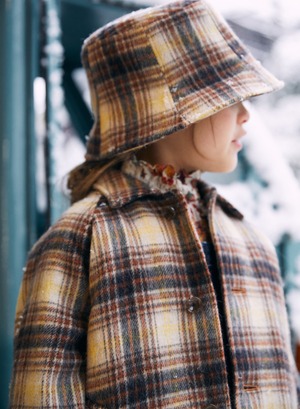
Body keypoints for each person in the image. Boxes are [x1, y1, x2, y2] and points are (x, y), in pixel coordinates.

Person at [9, 0, 300, 407]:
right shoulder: (78, 241)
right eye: (227, 96)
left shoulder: (253, 243)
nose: (245, 113)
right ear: (164, 110)